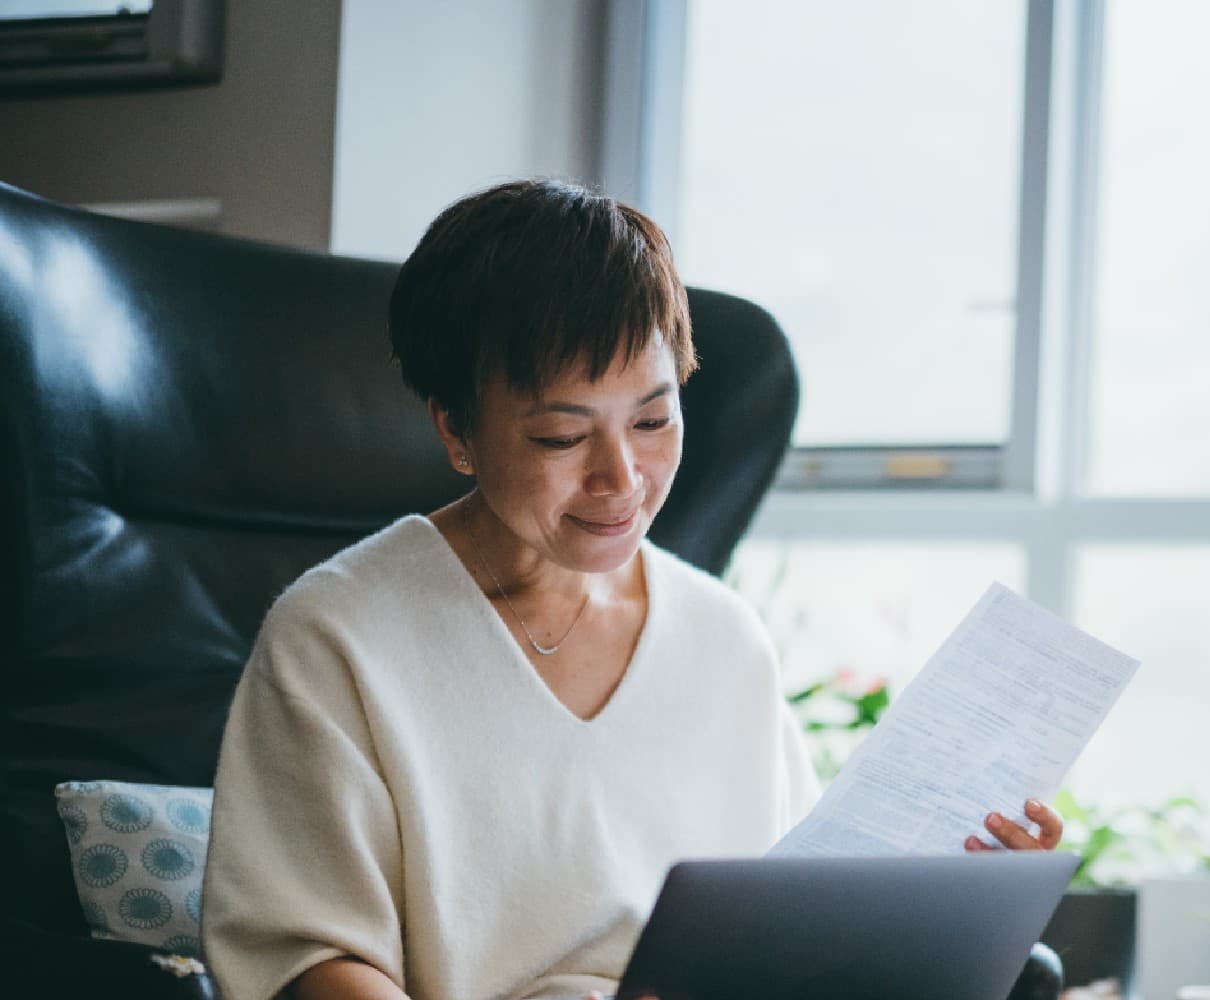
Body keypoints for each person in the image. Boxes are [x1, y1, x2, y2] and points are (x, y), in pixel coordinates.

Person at [200, 179, 1063, 1000]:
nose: (622, 479)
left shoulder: (724, 640)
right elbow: (312, 959)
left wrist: (960, 894)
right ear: (457, 431)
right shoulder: (339, 637)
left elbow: (801, 938)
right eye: (560, 436)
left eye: (653, 421)